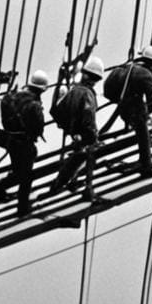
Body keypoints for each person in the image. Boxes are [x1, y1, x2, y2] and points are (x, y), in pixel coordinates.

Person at [103, 44, 152, 176]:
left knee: (140, 124)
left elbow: (109, 90)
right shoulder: (145, 75)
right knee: (143, 133)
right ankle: (146, 164)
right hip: (132, 108)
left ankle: (143, 160)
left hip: (122, 108)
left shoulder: (127, 67)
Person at [0, 69, 50, 217]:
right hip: (23, 143)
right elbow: (39, 127)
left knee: (17, 170)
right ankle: (22, 209)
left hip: (8, 139)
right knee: (26, 177)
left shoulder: (8, 97)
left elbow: (4, 119)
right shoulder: (34, 105)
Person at [49, 55, 104, 200]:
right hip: (83, 133)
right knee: (89, 156)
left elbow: (57, 111)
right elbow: (88, 117)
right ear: (95, 79)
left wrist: (70, 129)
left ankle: (63, 183)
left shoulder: (73, 90)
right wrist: (93, 136)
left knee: (77, 157)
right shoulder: (87, 95)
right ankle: (88, 190)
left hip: (74, 132)